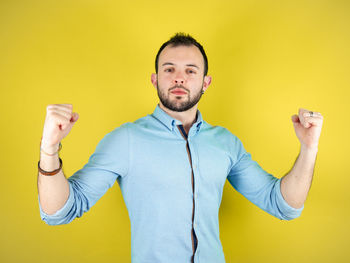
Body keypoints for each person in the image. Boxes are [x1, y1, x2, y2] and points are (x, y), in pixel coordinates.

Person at [37, 32, 324, 263]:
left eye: (190, 70)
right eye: (169, 69)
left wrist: (309, 148)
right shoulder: (126, 140)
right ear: (155, 79)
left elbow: (283, 205)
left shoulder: (226, 143)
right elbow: (60, 211)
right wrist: (49, 150)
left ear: (205, 82)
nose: (179, 77)